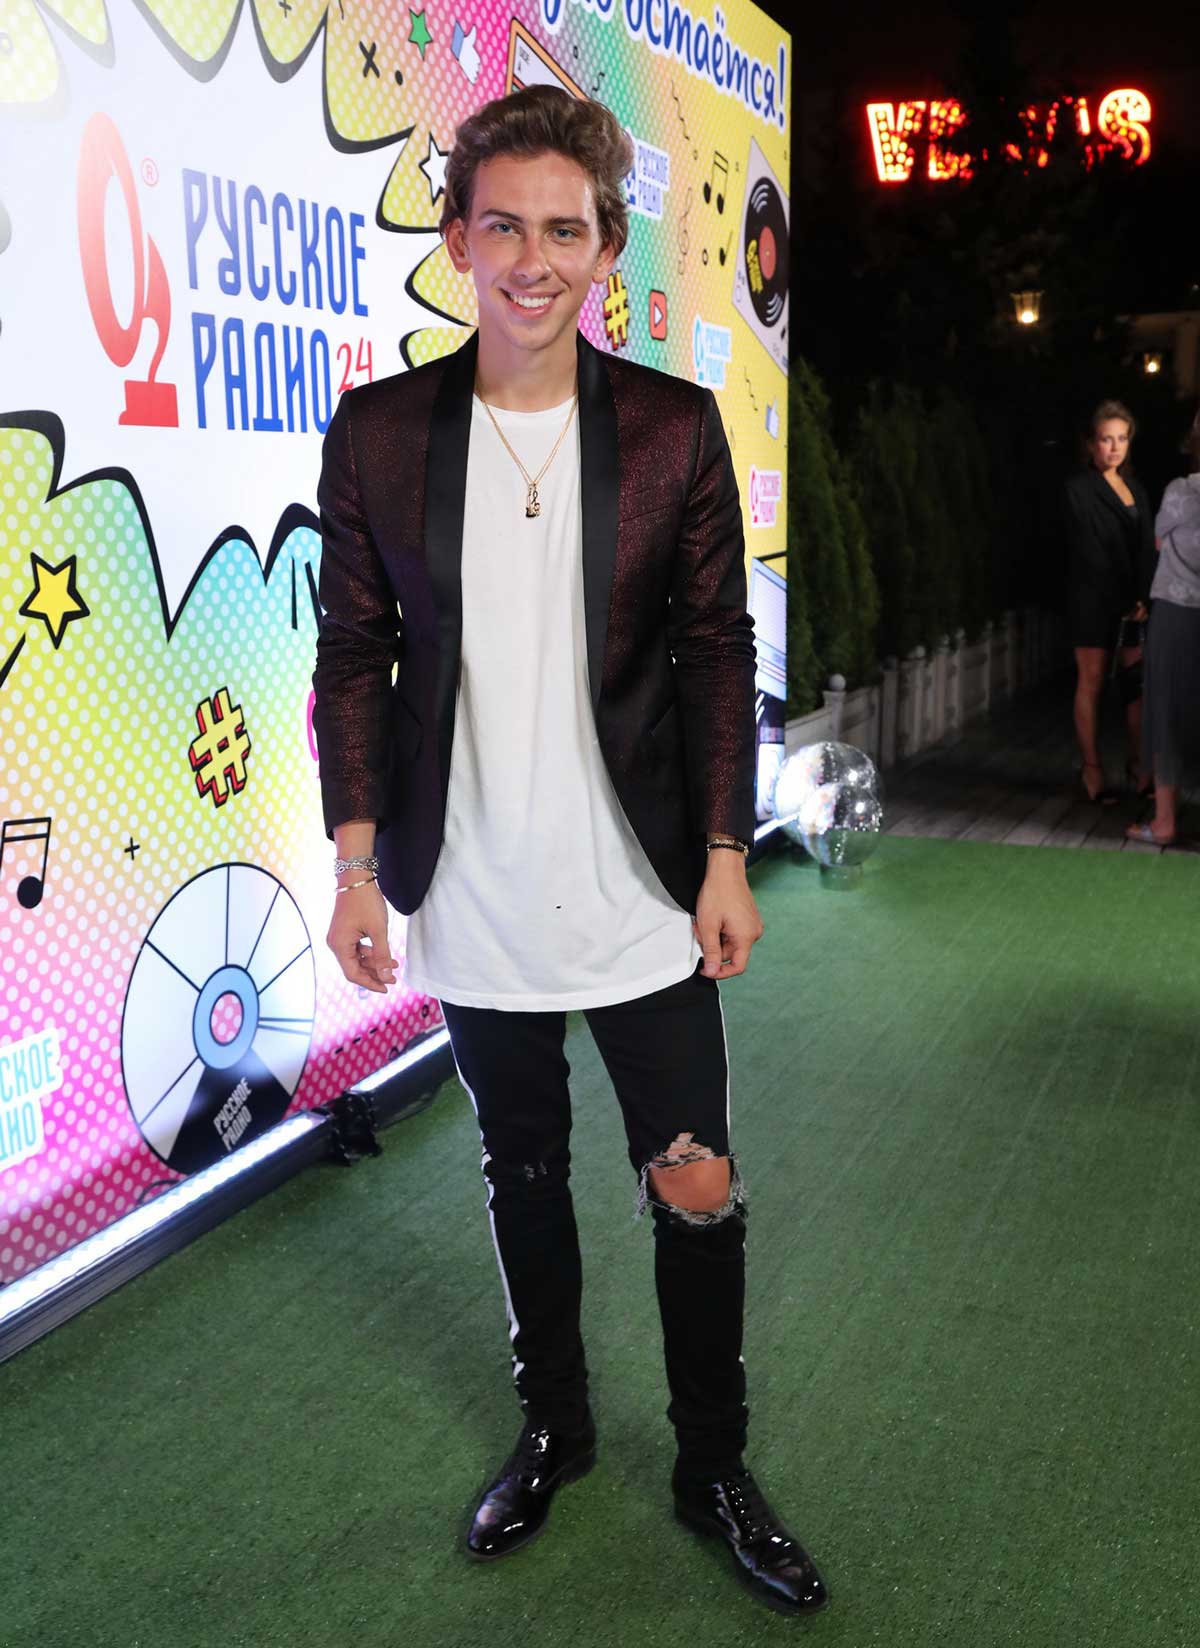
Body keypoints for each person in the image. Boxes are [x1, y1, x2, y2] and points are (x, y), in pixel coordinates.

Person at [311, 85, 827, 1618]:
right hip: (470, 882)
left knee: (695, 1176)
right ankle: (557, 1430)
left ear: (606, 246)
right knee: (519, 1169)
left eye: (564, 230)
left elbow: (717, 648)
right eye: (504, 228)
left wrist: (724, 851)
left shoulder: (670, 428)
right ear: (459, 239)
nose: (532, 260)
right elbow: (352, 659)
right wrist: (355, 867)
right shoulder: (382, 435)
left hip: (640, 885)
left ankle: (714, 1465)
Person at [1062, 400, 1157, 802]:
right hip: (1092, 599)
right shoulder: (1077, 490)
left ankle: (1139, 767)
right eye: (1106, 439)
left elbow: (1147, 547)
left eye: (1122, 439)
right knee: (1093, 682)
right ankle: (1092, 771)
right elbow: (1087, 550)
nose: (1115, 447)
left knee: (1137, 686)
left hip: (1134, 601)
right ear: (1091, 444)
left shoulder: (1136, 489)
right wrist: (1122, 594)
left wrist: (1144, 595)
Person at [1126, 409, 1200, 845]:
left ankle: (1166, 821)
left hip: (1176, 610)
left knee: (1167, 708)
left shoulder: (1178, 492)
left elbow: (1158, 541)